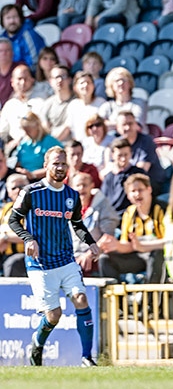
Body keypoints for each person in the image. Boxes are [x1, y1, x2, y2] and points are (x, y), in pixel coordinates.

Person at [9, 146, 99, 366]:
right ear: (46, 165)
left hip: (66, 259)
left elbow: (76, 224)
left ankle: (87, 357)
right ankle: (37, 344)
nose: (60, 167)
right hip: (40, 264)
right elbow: (13, 220)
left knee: (81, 299)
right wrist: (28, 238)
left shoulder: (71, 195)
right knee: (54, 315)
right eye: (55, 163)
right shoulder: (31, 192)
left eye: (63, 163)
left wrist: (91, 242)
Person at [98, 173, 166, 284]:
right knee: (105, 259)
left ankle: (150, 300)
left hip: (158, 256)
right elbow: (128, 246)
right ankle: (116, 299)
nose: (137, 194)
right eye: (133, 191)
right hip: (138, 257)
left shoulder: (162, 209)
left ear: (149, 189)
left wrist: (142, 246)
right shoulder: (129, 212)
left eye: (140, 190)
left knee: (157, 254)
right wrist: (115, 245)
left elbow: (168, 242)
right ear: (128, 195)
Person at [70, 172, 118, 277]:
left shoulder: (103, 206)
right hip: (72, 258)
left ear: (92, 185)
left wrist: (89, 254)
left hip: (94, 258)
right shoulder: (67, 207)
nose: (82, 188)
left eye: (85, 185)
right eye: (78, 185)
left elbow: (108, 237)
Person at [114, 111, 166, 195]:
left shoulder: (147, 141)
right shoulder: (118, 143)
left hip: (150, 183)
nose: (127, 127)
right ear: (117, 127)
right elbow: (111, 168)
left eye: (130, 124)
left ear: (136, 125)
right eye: (124, 124)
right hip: (129, 182)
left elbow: (141, 171)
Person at [0, 64, 46, 150]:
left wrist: (22, 140)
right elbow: (2, 132)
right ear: (12, 82)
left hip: (37, 147)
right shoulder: (9, 105)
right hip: (15, 149)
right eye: (19, 79)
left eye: (26, 79)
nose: (22, 82)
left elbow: (43, 127)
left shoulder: (40, 101)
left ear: (32, 80)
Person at [100, 138, 146, 217]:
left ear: (131, 154)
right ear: (113, 155)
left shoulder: (138, 173)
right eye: (119, 155)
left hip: (131, 217)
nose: (123, 159)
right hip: (111, 218)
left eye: (126, 154)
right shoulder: (109, 177)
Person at [15, 112, 63, 182]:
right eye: (25, 130)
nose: (26, 133)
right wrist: (20, 170)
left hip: (43, 180)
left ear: (37, 126)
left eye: (29, 130)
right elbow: (18, 164)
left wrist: (33, 175)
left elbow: (57, 165)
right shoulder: (24, 144)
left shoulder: (49, 141)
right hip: (24, 179)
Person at [0, 4, 45, 71]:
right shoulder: (2, 38)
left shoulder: (29, 34)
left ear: (21, 19)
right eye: (8, 18)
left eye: (15, 17)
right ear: (2, 21)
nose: (12, 21)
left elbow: (35, 63)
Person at [0, 173, 28, 277]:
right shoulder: (6, 209)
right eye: (14, 188)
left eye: (21, 187)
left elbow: (29, 235)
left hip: (24, 256)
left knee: (13, 263)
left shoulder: (32, 210)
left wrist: (6, 237)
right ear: (8, 191)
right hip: (4, 254)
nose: (18, 190)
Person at [66, 71, 105, 141]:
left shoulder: (101, 103)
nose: (85, 85)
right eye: (82, 83)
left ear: (93, 86)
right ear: (75, 87)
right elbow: (69, 127)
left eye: (88, 82)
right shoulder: (73, 105)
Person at [40, 65, 75, 142]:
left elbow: (68, 128)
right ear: (50, 81)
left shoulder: (76, 102)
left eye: (63, 76)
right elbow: (45, 127)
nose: (59, 80)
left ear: (70, 80)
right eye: (56, 77)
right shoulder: (47, 104)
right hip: (51, 145)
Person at [0, 37, 18, 105]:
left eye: (7, 50)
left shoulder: (20, 68)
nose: (4, 53)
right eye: (0, 51)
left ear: (12, 53)